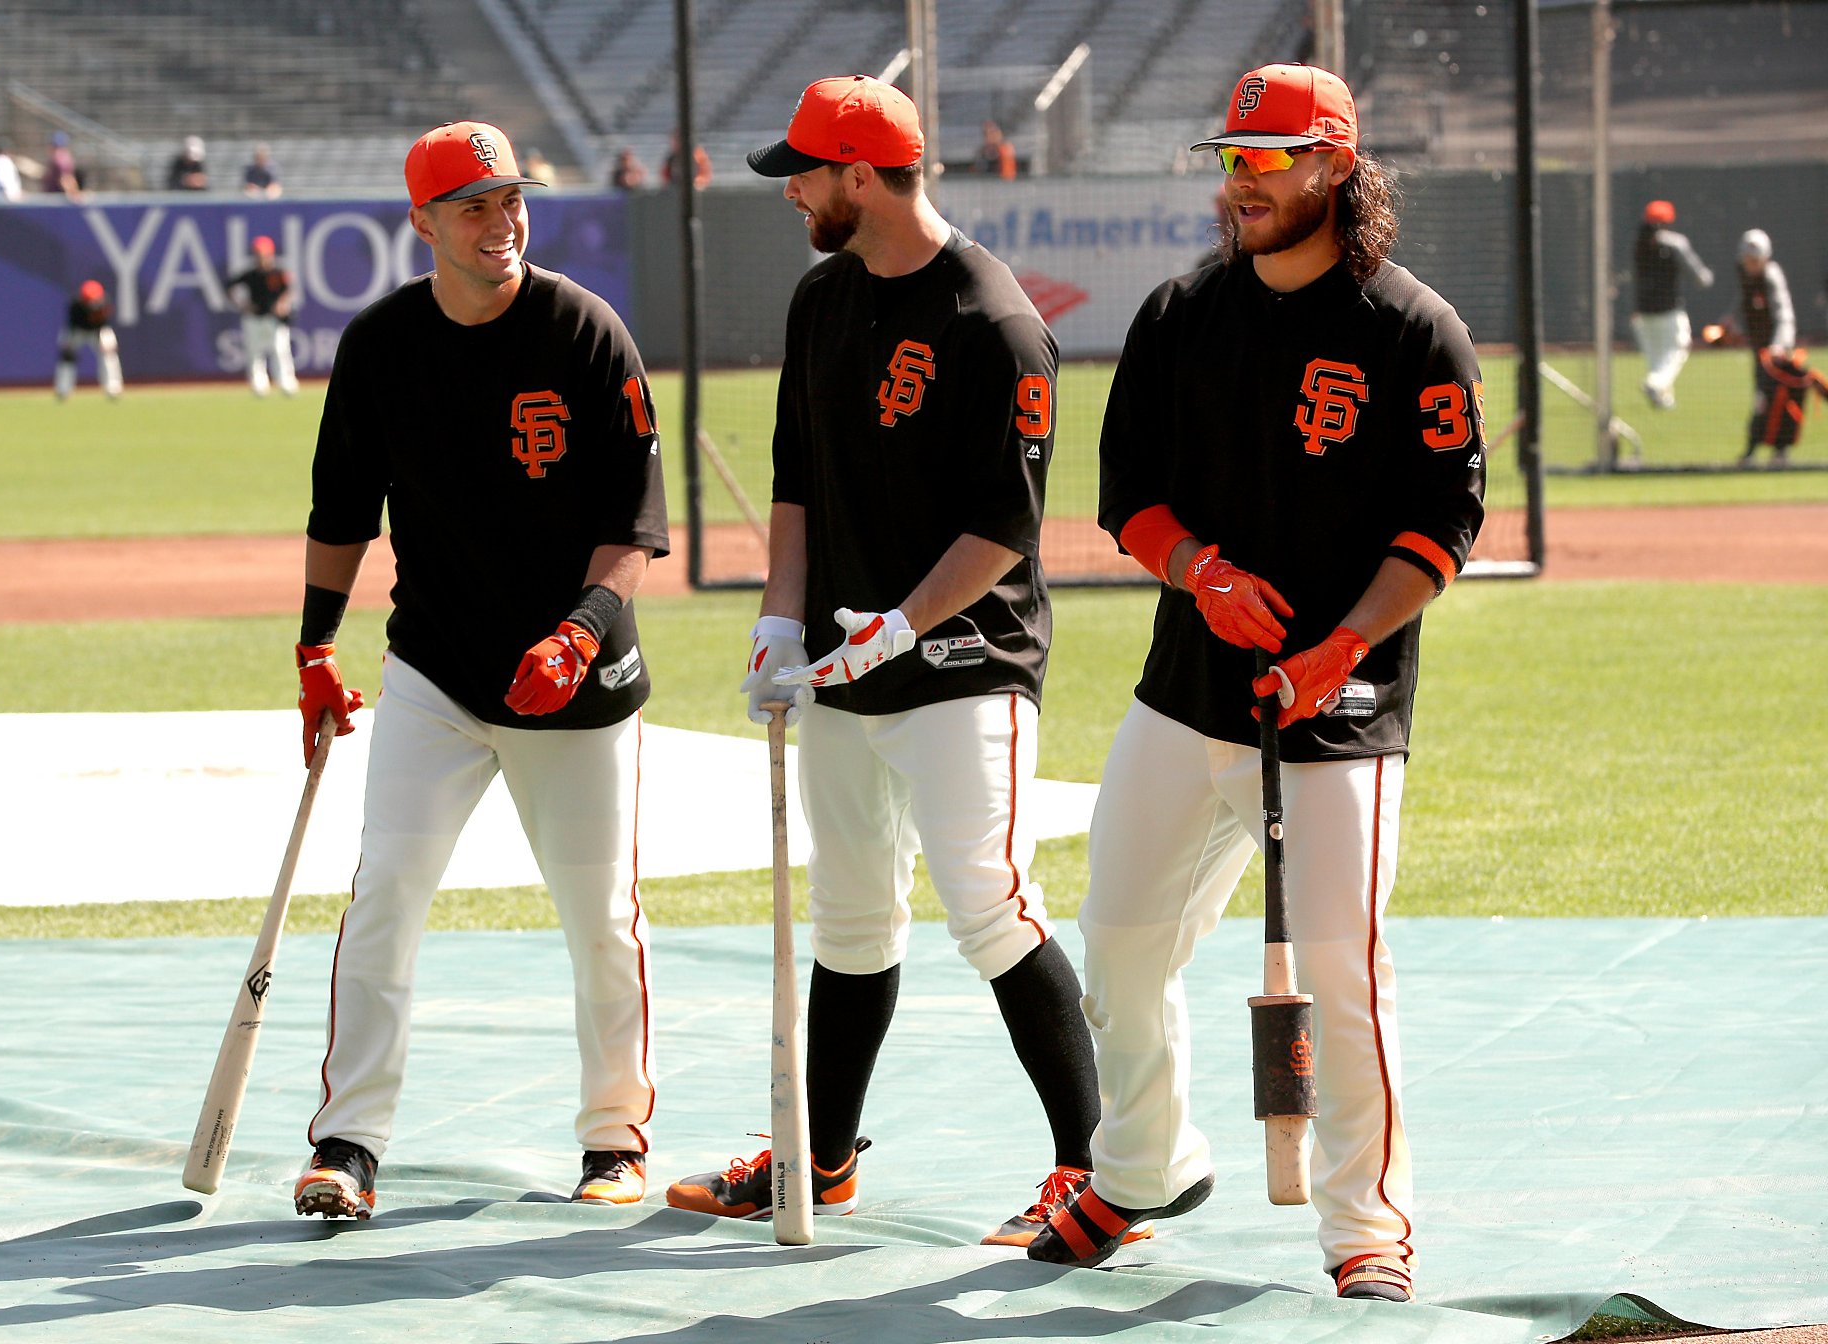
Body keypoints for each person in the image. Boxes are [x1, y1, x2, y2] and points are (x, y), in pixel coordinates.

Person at [1025, 64, 1484, 1307]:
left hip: (1335, 716)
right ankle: (1139, 1168)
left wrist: (1339, 646)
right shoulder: (1179, 316)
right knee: (1115, 948)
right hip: (1184, 695)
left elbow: (1443, 524)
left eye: (1266, 159)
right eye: (1229, 159)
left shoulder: (1410, 329)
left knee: (1344, 977)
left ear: (1333, 166)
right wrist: (1199, 570)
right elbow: (1126, 495)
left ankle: (1363, 1225)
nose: (1241, 181)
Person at [663, 75, 1117, 1251]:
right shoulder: (821, 298)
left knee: (992, 909)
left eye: (803, 173)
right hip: (837, 671)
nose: (791, 192)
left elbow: (1003, 529)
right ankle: (819, 1159)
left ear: (860, 177)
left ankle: (1095, 1174)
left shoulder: (996, 319)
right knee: (852, 923)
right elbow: (794, 476)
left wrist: (903, 624)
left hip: (964, 661)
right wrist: (778, 621)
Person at [291, 120, 668, 1221]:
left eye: (510, 200)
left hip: (577, 680)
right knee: (383, 901)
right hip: (437, 674)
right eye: (472, 206)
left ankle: (613, 1140)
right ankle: (348, 1144)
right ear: (423, 222)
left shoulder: (586, 333)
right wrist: (315, 646)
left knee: (599, 913)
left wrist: (580, 631)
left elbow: (633, 527)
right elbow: (339, 515)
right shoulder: (379, 347)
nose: (500, 223)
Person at [1630, 200, 1712, 410]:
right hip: (1668, 311)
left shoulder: (1639, 242)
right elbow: (1700, 276)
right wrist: (1705, 277)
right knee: (1679, 347)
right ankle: (1655, 385)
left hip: (1643, 312)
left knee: (1656, 358)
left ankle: (1662, 399)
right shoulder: (1674, 243)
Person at [1726, 230, 1797, 466]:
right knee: (1761, 399)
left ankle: (1777, 451)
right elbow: (1742, 304)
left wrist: (1779, 345)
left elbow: (1784, 313)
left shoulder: (1770, 277)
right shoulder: (1746, 276)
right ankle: (1753, 451)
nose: (1751, 264)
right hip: (1760, 351)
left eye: (1755, 260)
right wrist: (1730, 325)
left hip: (1776, 353)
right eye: (1748, 259)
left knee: (1778, 400)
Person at [227, 236, 299, 396]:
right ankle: (259, 383)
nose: (260, 258)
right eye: (257, 254)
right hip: (254, 317)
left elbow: (289, 290)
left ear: (270, 254)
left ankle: (285, 381)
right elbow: (229, 287)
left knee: (280, 349)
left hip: (275, 318)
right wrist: (243, 305)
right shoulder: (250, 274)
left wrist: (282, 303)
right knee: (254, 351)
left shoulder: (278, 272)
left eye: (263, 254)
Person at [56, 279, 123, 400]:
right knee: (67, 356)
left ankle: (113, 387)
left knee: (109, 353)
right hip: (78, 331)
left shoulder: (104, 302)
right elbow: (71, 326)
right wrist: (69, 343)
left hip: (98, 330)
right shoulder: (75, 305)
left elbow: (104, 323)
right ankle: (63, 390)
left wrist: (105, 340)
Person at [42, 131, 83, 199]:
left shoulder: (60, 159)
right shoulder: (62, 157)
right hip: (54, 198)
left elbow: (66, 179)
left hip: (56, 200)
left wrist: (74, 194)